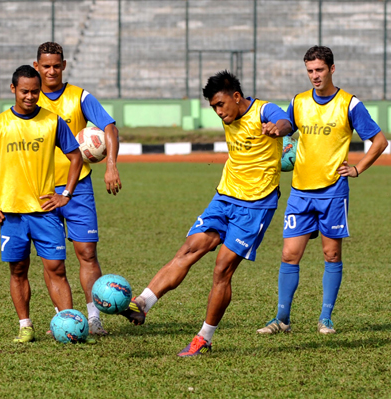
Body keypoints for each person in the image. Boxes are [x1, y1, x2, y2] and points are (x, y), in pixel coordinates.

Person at [120, 70, 292, 356]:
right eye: (213, 107)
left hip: (256, 205)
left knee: (222, 269)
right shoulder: (229, 116)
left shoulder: (264, 110)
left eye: (221, 104)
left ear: (237, 97)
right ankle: (143, 304)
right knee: (190, 248)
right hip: (224, 197)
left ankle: (204, 338)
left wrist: (278, 128)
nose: (218, 111)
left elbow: (285, 120)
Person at [257, 46, 388, 335]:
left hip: (332, 192)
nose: (314, 76)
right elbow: (286, 124)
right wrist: (277, 129)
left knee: (331, 254)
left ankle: (325, 319)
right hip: (300, 191)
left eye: (319, 70)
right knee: (290, 254)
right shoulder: (299, 101)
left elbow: (379, 141)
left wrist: (357, 168)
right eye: (310, 71)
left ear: (331, 69)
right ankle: (282, 319)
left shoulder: (350, 104)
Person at [0, 65, 84, 343]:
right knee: (17, 270)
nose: (30, 97)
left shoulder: (53, 121)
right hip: (11, 214)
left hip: (45, 211)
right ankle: (25, 325)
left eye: (35, 92)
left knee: (57, 269)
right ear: (13, 89)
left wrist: (67, 194)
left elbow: (76, 157)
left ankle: (70, 326)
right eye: (25, 91)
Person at [33, 42, 122, 336]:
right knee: (53, 260)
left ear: (64, 65)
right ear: (37, 67)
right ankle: (66, 318)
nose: (51, 71)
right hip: (42, 188)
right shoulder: (30, 100)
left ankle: (94, 318)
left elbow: (109, 127)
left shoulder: (79, 97)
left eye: (56, 65)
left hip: (78, 186)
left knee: (86, 252)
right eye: (45, 66)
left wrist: (111, 165)